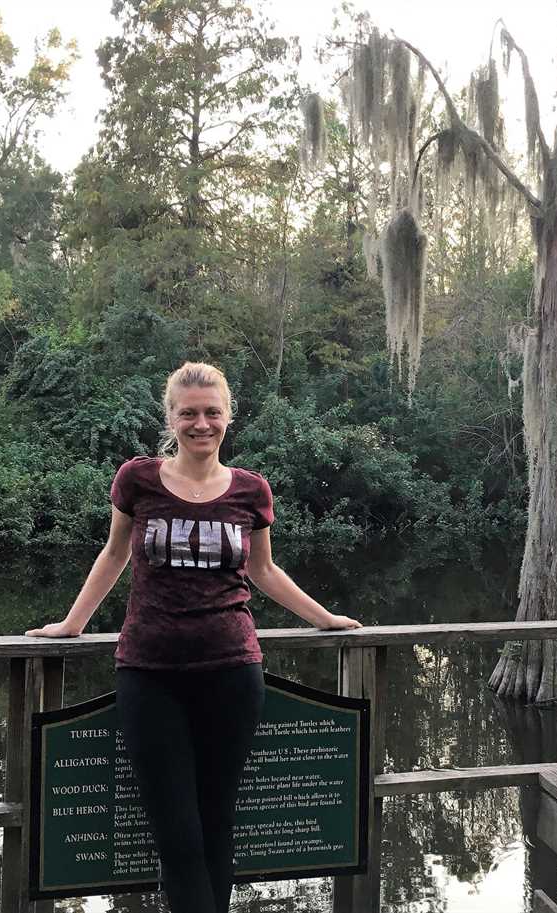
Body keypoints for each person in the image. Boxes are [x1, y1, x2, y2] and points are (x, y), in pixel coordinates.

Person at [26, 361, 361, 913]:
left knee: (217, 822)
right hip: (149, 672)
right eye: (189, 413)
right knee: (177, 833)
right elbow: (114, 555)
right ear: (171, 418)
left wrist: (323, 618)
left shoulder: (251, 491)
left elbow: (264, 570)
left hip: (232, 670)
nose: (201, 423)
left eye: (212, 412)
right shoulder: (137, 479)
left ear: (229, 417)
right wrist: (72, 624)